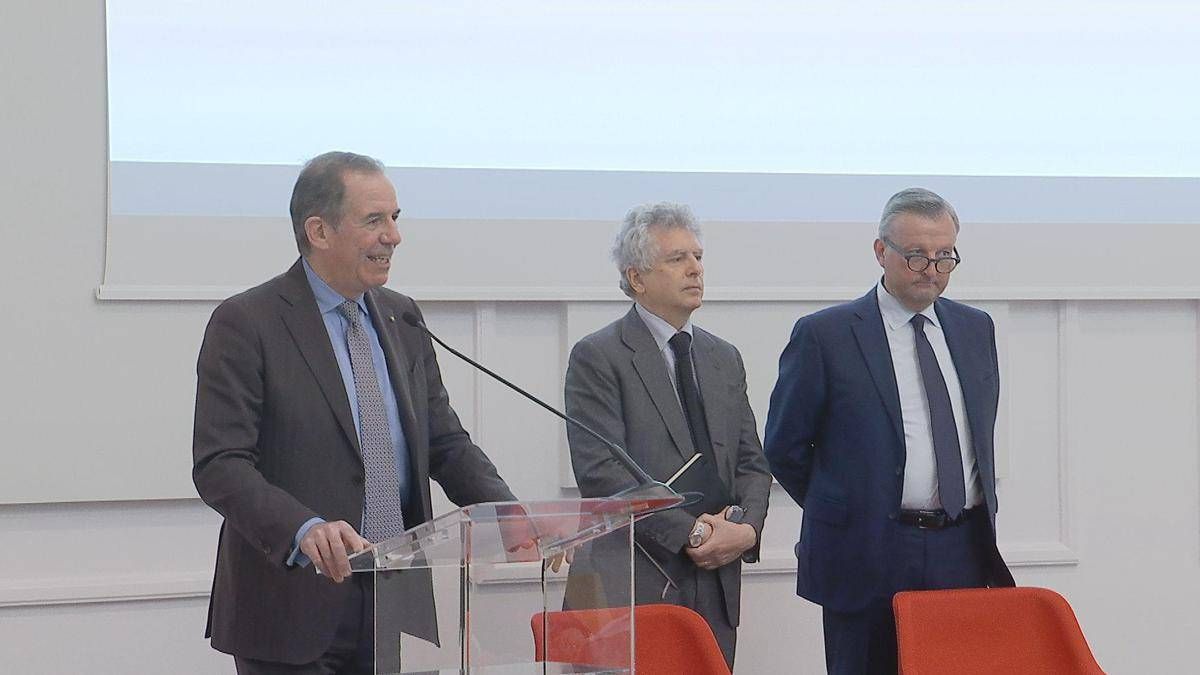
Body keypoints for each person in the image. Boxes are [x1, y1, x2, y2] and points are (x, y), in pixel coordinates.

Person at [192, 151, 518, 674]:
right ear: (319, 231)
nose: (394, 236)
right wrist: (304, 528)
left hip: (398, 600)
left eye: (395, 218)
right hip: (292, 604)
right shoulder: (247, 322)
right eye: (374, 220)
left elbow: (443, 442)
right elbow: (220, 464)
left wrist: (511, 515)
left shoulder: (401, 316)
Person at [763, 187, 1015, 674]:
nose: (931, 270)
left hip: (960, 547)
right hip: (866, 550)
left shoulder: (975, 328)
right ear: (881, 252)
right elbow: (784, 447)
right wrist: (847, 507)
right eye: (916, 255)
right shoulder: (826, 335)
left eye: (945, 256)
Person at [562, 202, 772, 670]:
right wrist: (691, 533)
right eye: (677, 259)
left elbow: (751, 463)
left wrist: (746, 530)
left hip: (716, 583)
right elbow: (602, 473)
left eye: (698, 256)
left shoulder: (723, 357)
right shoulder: (598, 356)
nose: (695, 268)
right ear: (636, 278)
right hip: (632, 582)